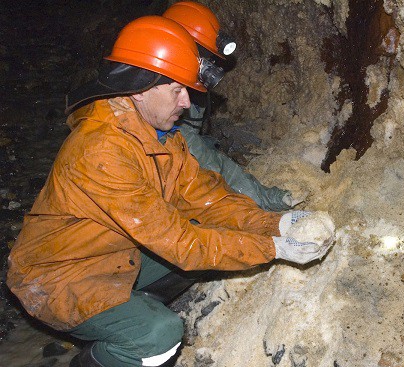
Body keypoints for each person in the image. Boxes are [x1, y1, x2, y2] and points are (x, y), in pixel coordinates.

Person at [7, 16, 333, 367]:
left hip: (110, 253)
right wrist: (274, 248)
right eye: (177, 90)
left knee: (205, 235)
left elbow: (207, 198)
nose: (185, 102)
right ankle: (110, 350)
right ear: (140, 88)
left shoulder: (159, 136)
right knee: (160, 336)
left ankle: (128, 309)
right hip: (56, 277)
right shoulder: (102, 151)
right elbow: (183, 245)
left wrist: (277, 223)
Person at [163, 1, 299, 212]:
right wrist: (266, 200)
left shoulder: (175, 86)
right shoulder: (157, 108)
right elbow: (209, 164)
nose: (208, 65)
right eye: (202, 56)